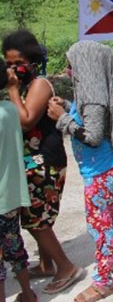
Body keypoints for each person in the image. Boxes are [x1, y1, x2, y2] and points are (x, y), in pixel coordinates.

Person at [47, 41, 113, 302]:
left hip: (100, 172)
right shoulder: (91, 93)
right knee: (106, 220)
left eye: (71, 65)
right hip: (100, 169)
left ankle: (103, 281)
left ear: (85, 66)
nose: (68, 70)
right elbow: (86, 115)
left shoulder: (93, 99)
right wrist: (67, 105)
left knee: (100, 225)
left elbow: (92, 136)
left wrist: (62, 118)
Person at [2, 30, 81, 294]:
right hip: (29, 160)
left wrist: (12, 89)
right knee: (37, 215)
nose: (14, 69)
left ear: (32, 62)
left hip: (44, 160)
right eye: (8, 63)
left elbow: (26, 121)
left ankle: (66, 267)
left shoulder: (39, 85)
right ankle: (47, 264)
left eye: (19, 63)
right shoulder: (24, 86)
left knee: (36, 220)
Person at [0, 58, 38, 302]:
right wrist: (13, 86)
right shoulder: (10, 110)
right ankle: (27, 293)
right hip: (11, 196)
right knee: (14, 248)